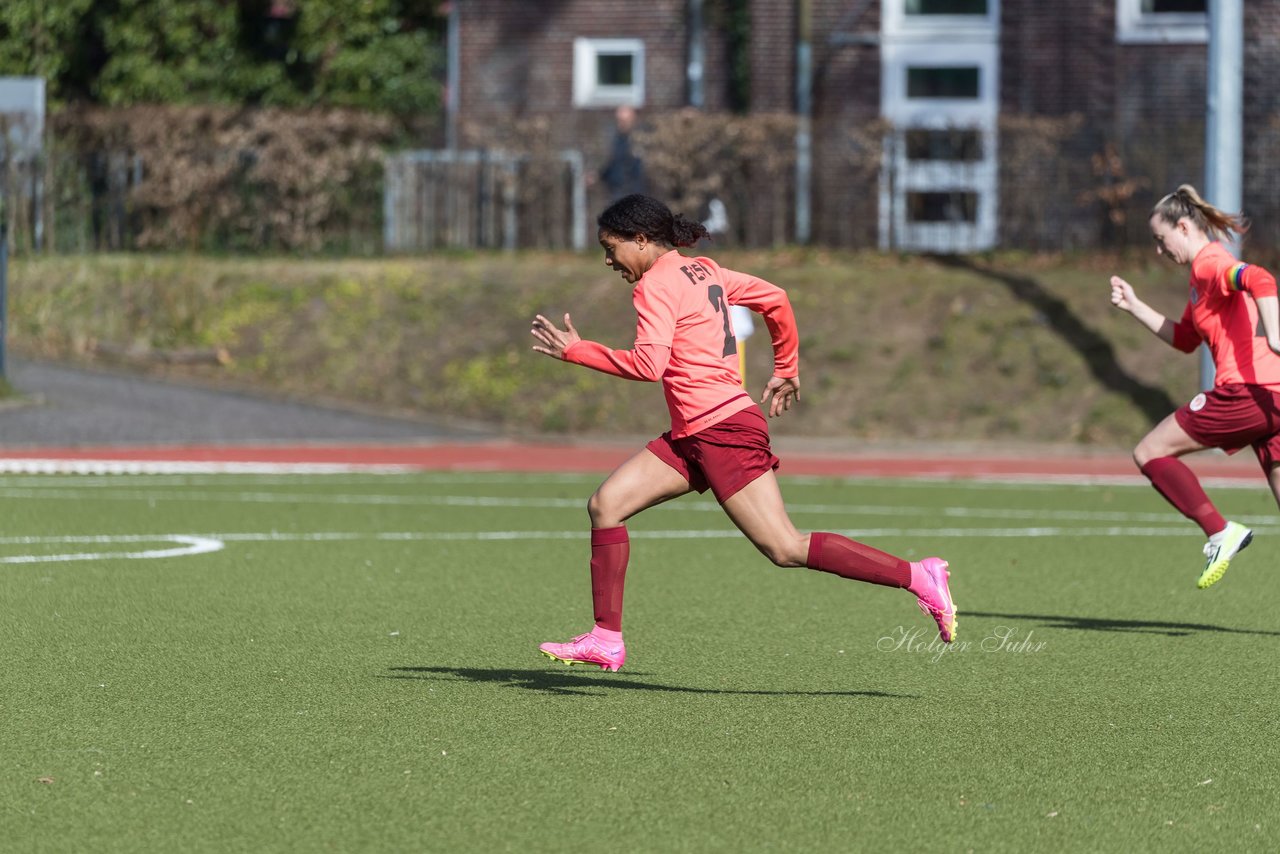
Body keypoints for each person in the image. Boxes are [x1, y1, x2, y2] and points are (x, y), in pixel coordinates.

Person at [529, 193, 956, 672]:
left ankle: (919, 576)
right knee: (606, 506)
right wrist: (787, 366)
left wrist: (578, 351)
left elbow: (650, 366)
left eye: (611, 248)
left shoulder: (653, 286)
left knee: (785, 547)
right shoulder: (704, 269)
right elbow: (775, 298)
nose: (608, 260)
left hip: (721, 429)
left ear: (642, 240)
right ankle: (606, 638)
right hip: (696, 430)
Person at [1110, 184, 1280, 589]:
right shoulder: (1198, 282)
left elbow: (1259, 278)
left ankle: (1221, 533)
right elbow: (1186, 339)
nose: (1159, 250)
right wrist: (1135, 306)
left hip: (1245, 393)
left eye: (1160, 239)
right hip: (1274, 396)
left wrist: (1275, 336)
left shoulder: (1209, 264)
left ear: (1183, 227)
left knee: (1150, 451)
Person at [597, 105, 647, 201]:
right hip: (615, 192)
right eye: (619, 120)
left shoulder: (639, 140)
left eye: (624, 121)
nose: (621, 124)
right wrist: (599, 175)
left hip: (633, 193)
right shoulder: (616, 140)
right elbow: (611, 164)